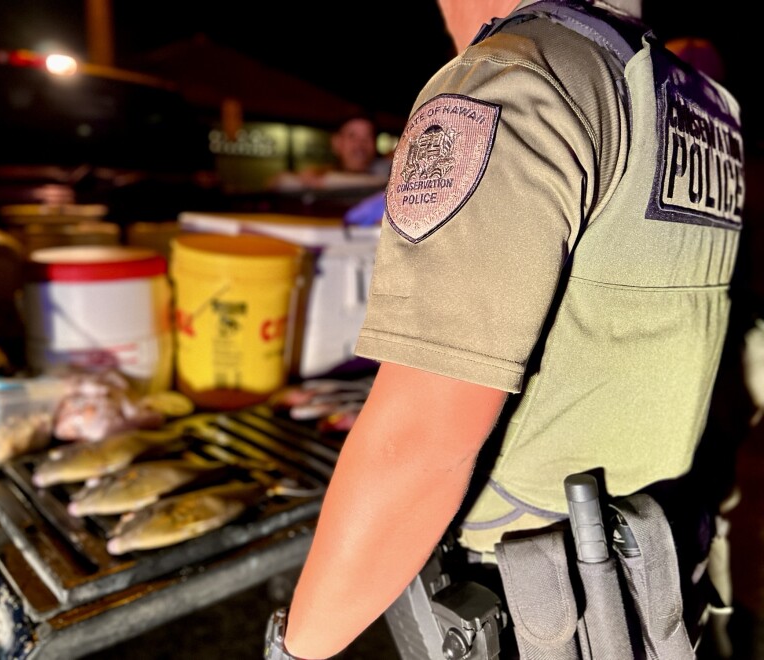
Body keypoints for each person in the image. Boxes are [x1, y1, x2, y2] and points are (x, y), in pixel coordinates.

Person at [265, 0, 746, 657]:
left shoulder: (515, 79)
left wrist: (296, 648)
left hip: (538, 597)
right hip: (652, 581)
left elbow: (419, 444)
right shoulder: (691, 97)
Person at [268, 112, 391, 192]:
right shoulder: (321, 173)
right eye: (352, 136)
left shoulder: (386, 172)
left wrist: (326, 181)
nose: (360, 144)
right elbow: (277, 182)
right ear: (337, 143)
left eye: (367, 137)